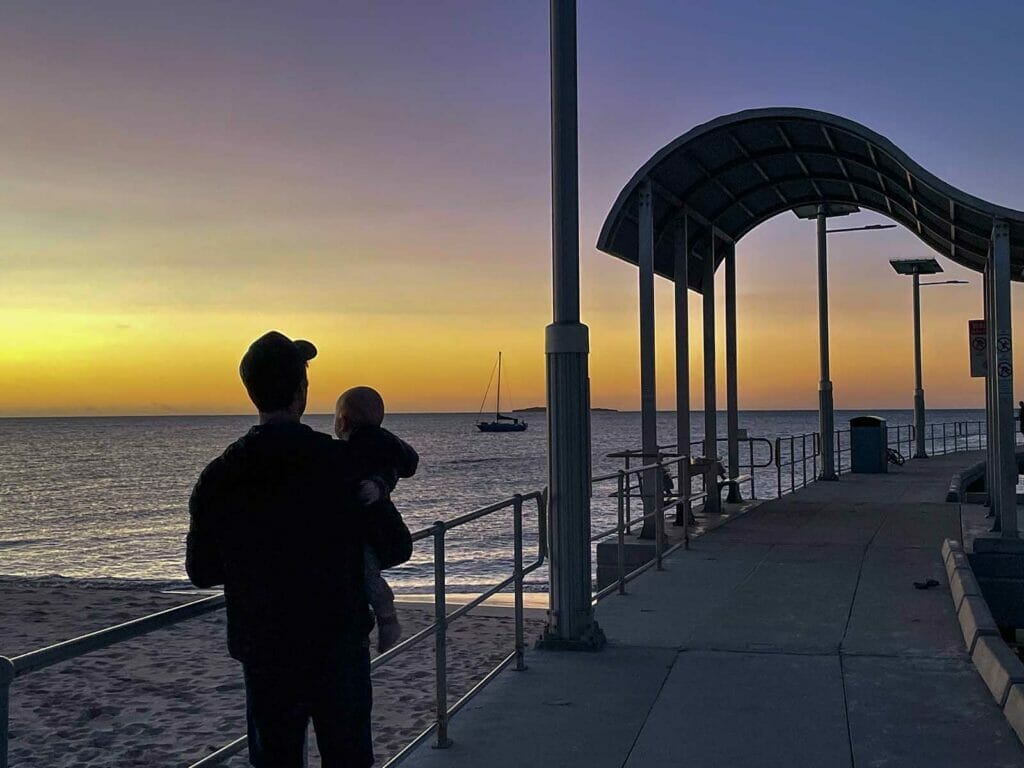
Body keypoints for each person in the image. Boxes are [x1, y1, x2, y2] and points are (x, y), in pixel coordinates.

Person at [186, 330, 416, 768]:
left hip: (265, 645)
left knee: (275, 759)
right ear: (301, 393)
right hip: (338, 641)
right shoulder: (342, 463)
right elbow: (396, 546)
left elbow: (202, 569)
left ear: (252, 392)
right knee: (348, 756)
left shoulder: (220, 475)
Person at [335, 385, 415, 653]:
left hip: (372, 530)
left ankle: (387, 618)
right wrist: (383, 482)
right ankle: (382, 618)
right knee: (366, 571)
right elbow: (407, 462)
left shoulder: (353, 449)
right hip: (383, 527)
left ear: (343, 421)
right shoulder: (386, 443)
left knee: (367, 571)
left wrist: (379, 485)